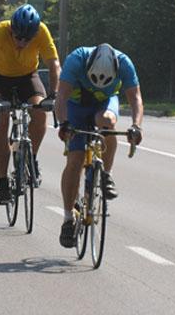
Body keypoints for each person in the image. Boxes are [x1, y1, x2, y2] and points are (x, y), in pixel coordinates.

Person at [55, 43, 143, 248]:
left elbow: (136, 98)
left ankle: (105, 175)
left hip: (104, 104)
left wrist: (136, 126)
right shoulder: (76, 60)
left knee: (108, 122)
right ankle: (68, 219)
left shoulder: (124, 63)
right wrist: (64, 124)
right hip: (76, 106)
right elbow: (62, 96)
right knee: (75, 160)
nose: (99, 84)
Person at [0, 4, 60, 205]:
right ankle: (3, 182)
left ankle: (31, 158)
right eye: (18, 37)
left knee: (40, 113)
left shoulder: (42, 31)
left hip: (27, 77)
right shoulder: (0, 31)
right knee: (2, 123)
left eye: (27, 39)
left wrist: (53, 95)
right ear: (11, 30)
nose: (22, 42)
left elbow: (54, 65)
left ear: (35, 34)